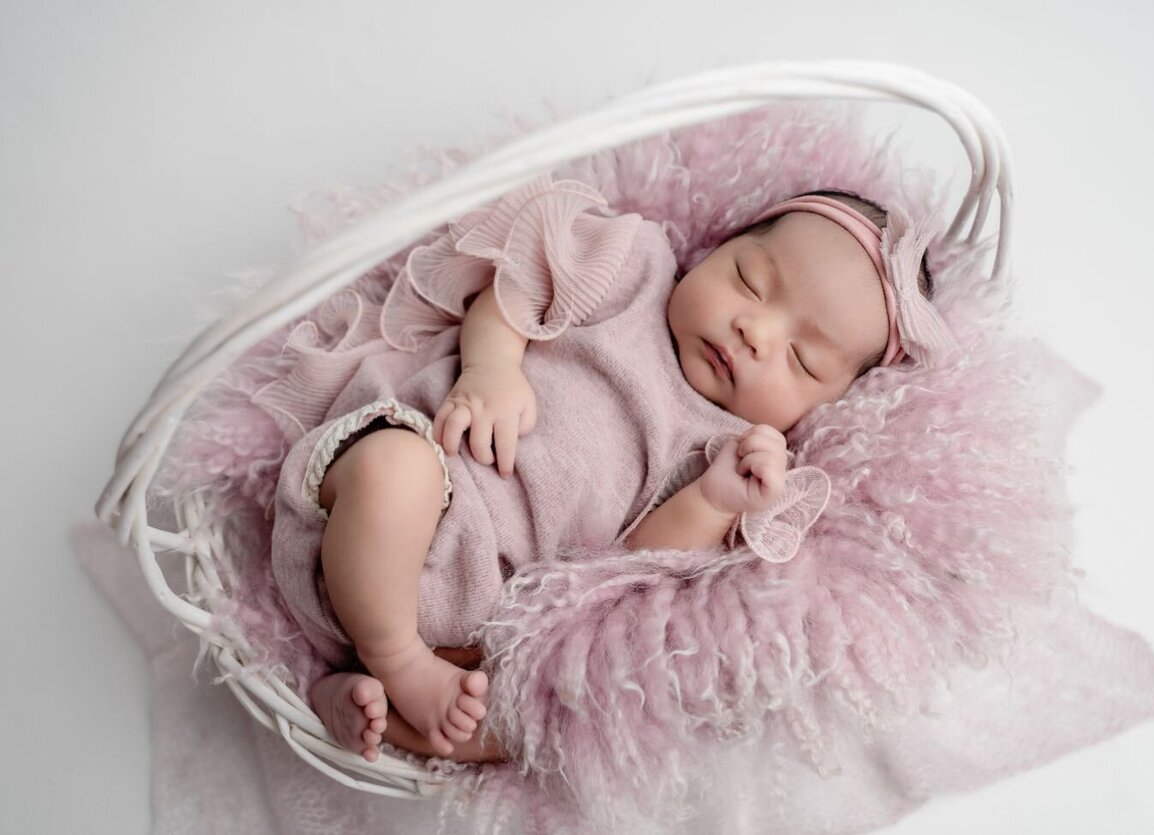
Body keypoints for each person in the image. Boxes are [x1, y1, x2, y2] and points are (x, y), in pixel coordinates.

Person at [262, 175, 955, 764]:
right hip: (389, 501)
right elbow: (514, 289)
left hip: (475, 618)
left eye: (803, 359)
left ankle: (357, 692)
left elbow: (635, 565)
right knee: (397, 469)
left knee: (538, 709)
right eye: (750, 280)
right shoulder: (634, 271)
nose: (756, 331)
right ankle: (393, 657)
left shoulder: (731, 448)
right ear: (716, 248)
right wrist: (492, 367)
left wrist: (715, 500)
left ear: (820, 406)